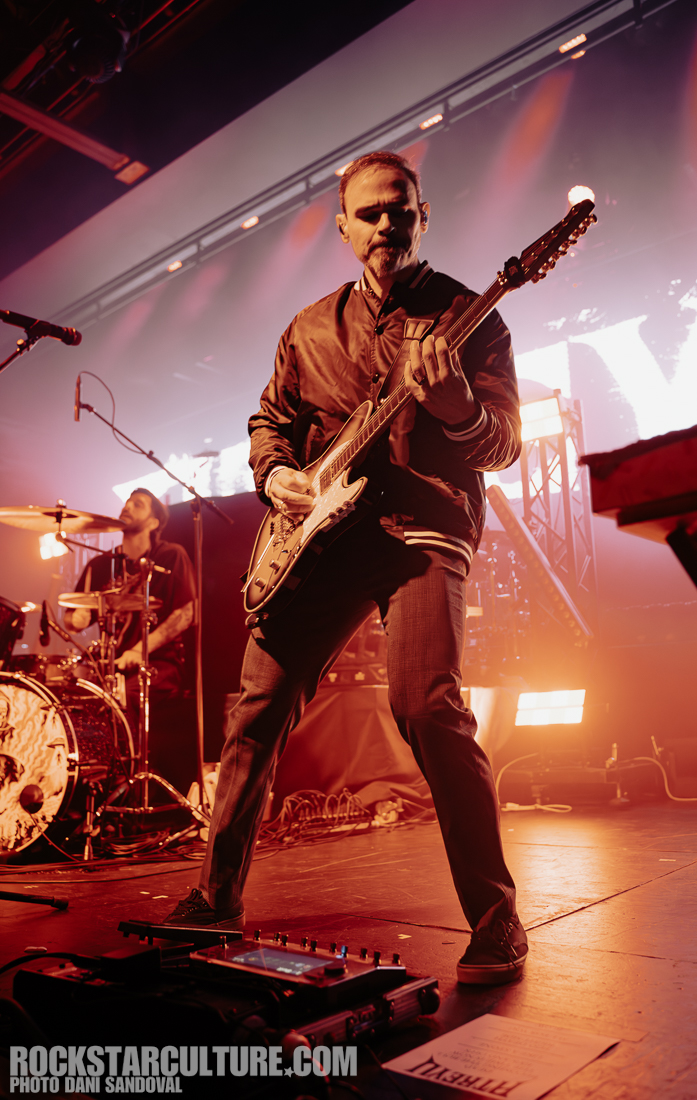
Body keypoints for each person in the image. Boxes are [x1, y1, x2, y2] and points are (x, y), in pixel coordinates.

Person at [164, 151, 528, 985]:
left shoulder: (472, 316)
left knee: (425, 705)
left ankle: (497, 916)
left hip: (420, 533)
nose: (385, 225)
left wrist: (458, 409)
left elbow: (503, 444)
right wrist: (276, 473)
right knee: (256, 708)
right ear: (343, 228)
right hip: (319, 544)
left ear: (422, 215)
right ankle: (215, 897)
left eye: (398, 210)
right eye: (368, 213)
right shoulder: (307, 330)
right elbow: (270, 421)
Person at [65, 488, 196, 789]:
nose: (127, 506)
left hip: (158, 664)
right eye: (126, 502)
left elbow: (186, 614)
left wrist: (139, 650)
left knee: (121, 697)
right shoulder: (101, 564)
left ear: (153, 522)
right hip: (108, 667)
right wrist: (76, 619)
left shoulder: (168, 556)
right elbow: (71, 618)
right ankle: (80, 787)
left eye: (138, 505)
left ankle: (126, 789)